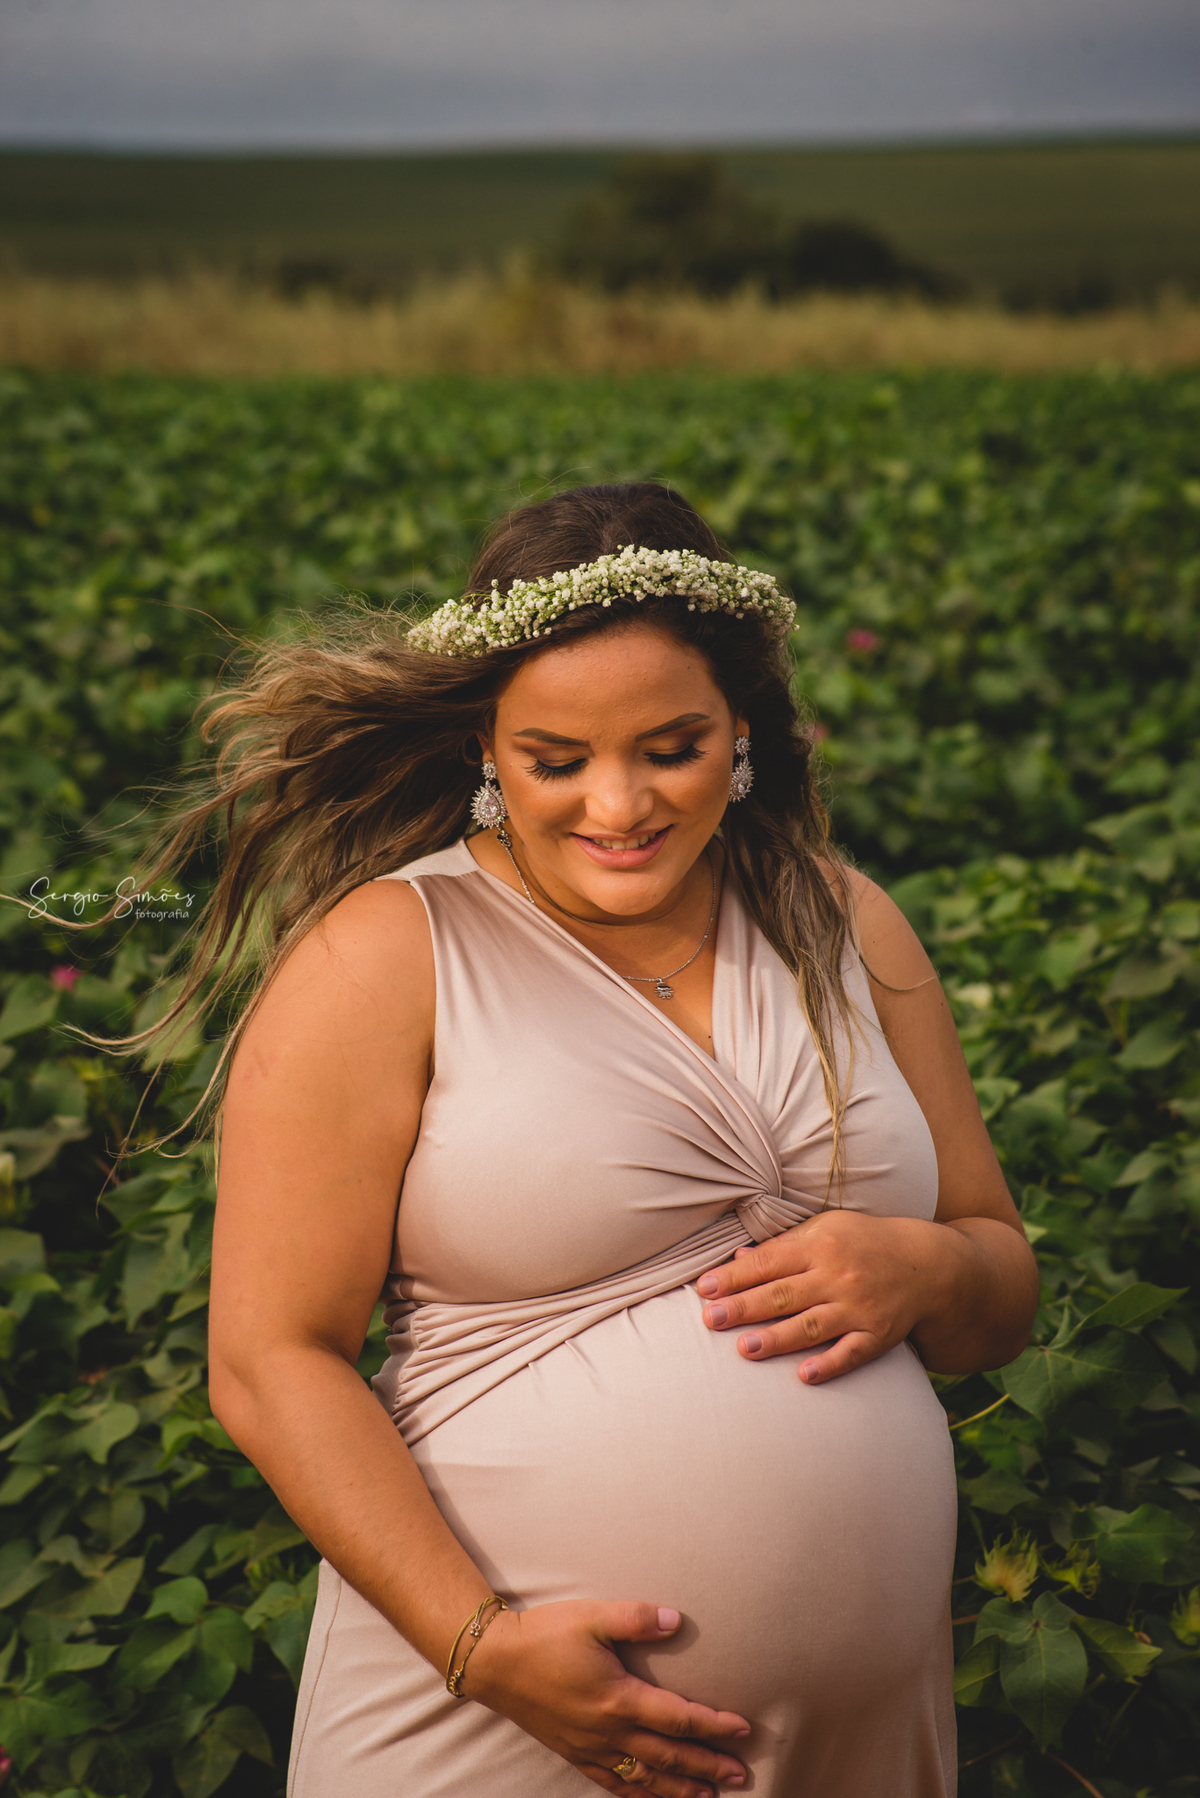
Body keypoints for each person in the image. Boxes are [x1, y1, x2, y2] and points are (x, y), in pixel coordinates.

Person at [204, 482, 1039, 1798]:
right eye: (556, 759)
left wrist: (932, 1272)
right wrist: (482, 1646)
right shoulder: (382, 957)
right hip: (499, 1722)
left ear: (743, 732)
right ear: (489, 744)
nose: (619, 804)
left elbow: (1001, 1279)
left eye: (671, 746)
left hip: (855, 1742)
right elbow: (267, 1360)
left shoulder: (847, 924)